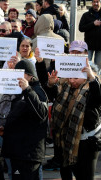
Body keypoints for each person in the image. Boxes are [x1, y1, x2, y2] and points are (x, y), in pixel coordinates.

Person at [44, 51, 101, 180]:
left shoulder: (92, 87)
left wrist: (92, 78)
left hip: (88, 141)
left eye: (75, 78)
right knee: (67, 170)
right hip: (67, 138)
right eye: (70, 77)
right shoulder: (67, 87)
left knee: (85, 176)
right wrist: (51, 85)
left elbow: (97, 98)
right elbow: (56, 99)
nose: (72, 81)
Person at [0, 59, 48, 180]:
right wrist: (5, 130)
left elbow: (41, 114)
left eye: (19, 73)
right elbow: (19, 118)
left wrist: (27, 90)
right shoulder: (19, 91)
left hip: (29, 154)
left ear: (29, 75)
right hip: (18, 152)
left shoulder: (37, 91)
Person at [79, 0, 101, 67]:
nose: (96, 3)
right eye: (94, 2)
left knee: (98, 67)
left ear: (100, 3)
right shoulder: (86, 15)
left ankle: (96, 77)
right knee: (86, 65)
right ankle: (88, 77)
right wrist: (93, 24)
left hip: (100, 46)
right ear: (92, 3)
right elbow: (81, 28)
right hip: (89, 45)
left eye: (97, 2)